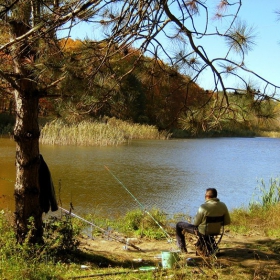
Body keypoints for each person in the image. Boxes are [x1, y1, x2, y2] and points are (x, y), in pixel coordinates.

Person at [176, 188, 230, 253]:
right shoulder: (223, 205)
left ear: (207, 196)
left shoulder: (203, 207)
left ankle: (182, 249)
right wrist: (215, 224)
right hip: (216, 231)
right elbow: (227, 221)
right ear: (216, 196)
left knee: (179, 225)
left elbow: (196, 223)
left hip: (203, 232)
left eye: (205, 195)